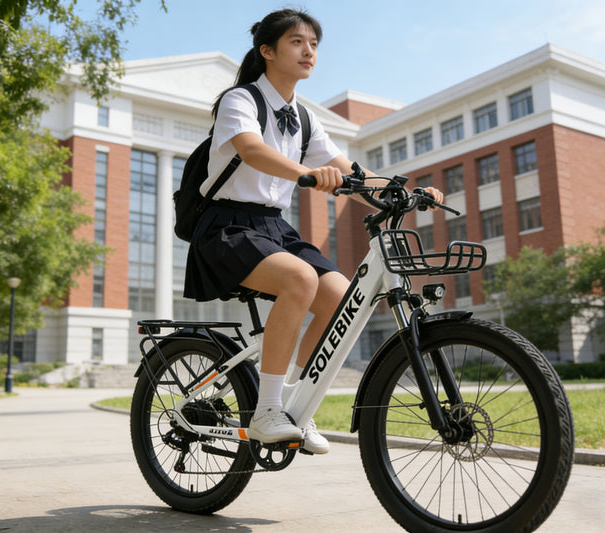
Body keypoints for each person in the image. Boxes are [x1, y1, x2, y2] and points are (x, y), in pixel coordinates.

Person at [184, 9, 443, 453]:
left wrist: (406, 193)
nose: (309, 51)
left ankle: (296, 404)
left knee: (342, 295)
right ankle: (267, 410)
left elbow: (352, 175)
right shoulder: (240, 100)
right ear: (267, 51)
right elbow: (251, 150)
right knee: (300, 279)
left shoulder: (304, 118)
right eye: (297, 42)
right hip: (226, 224)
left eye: (315, 45)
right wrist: (307, 172)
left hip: (272, 227)